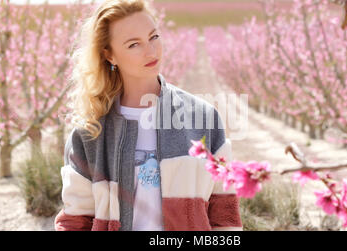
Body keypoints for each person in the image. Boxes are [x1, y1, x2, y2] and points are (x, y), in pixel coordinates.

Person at [54, 0, 242, 231]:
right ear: (109, 55)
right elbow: (75, 220)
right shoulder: (90, 133)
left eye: (154, 37)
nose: (151, 51)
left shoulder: (204, 118)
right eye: (134, 44)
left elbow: (225, 214)